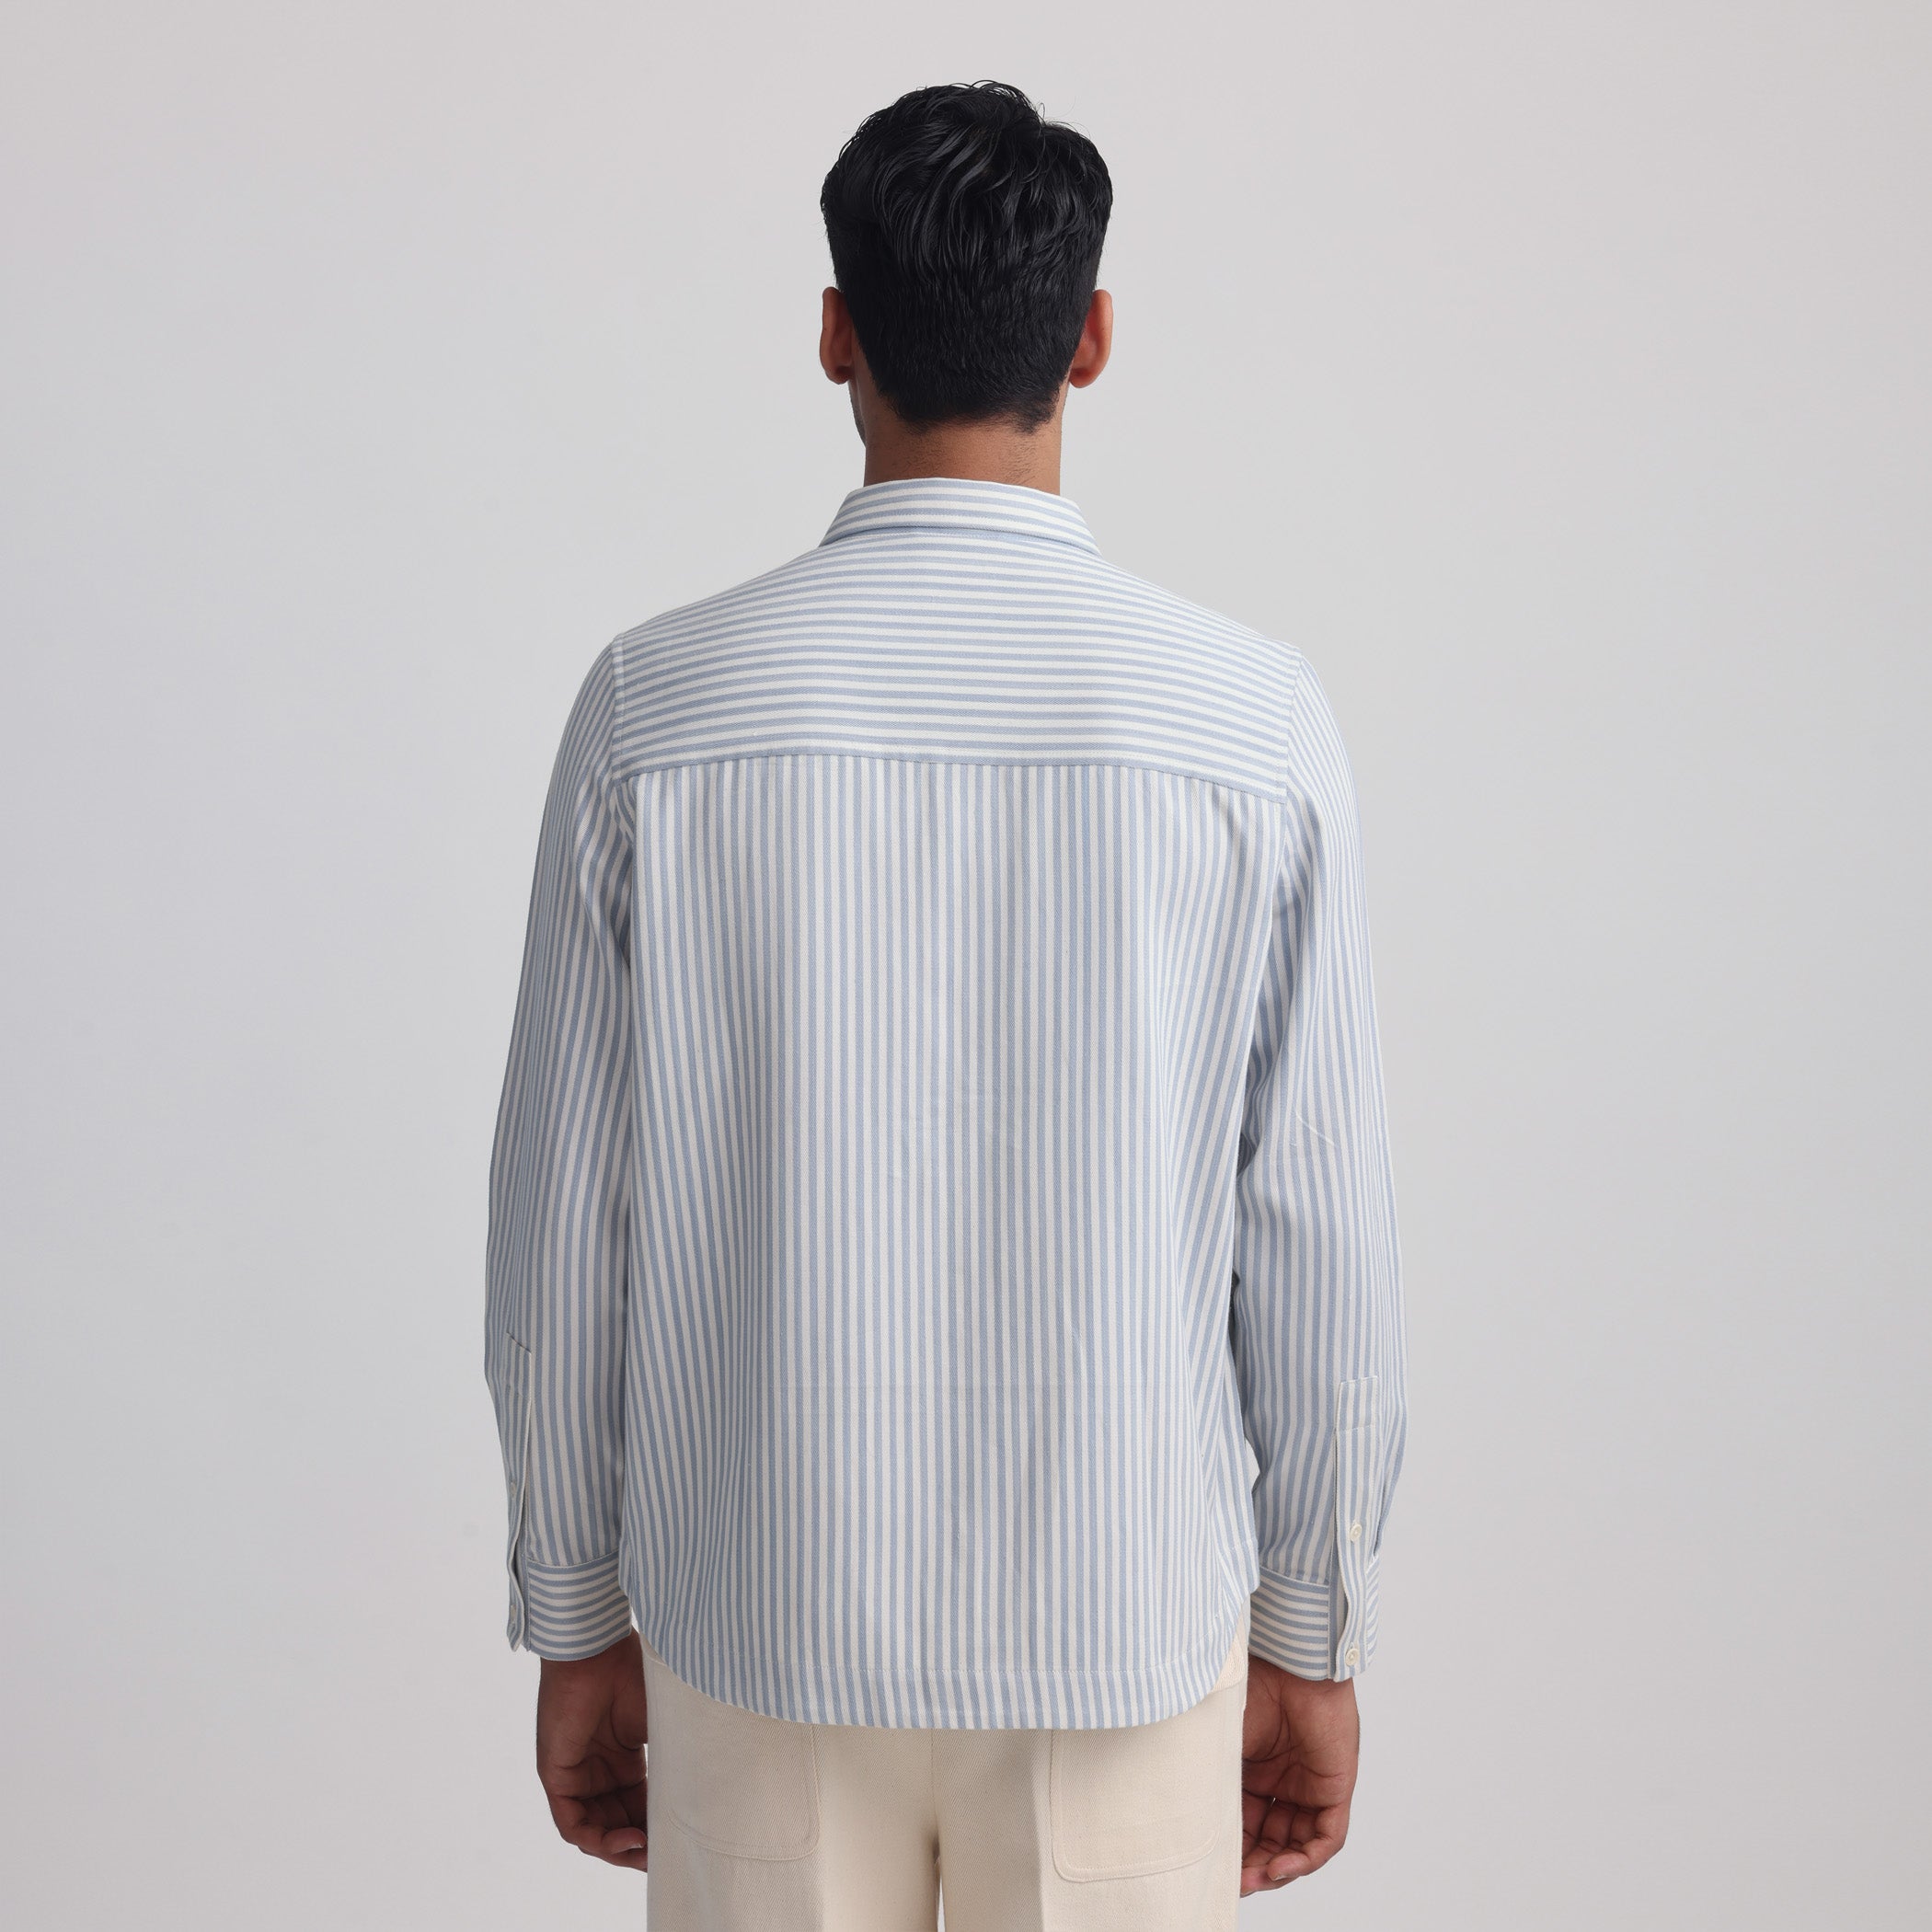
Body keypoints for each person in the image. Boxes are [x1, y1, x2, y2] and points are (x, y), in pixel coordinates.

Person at [484, 77, 1408, 1932]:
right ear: (1093, 337)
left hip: (761, 1629)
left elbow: (563, 1219)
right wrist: (1312, 1627)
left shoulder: (657, 709)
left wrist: (577, 1613)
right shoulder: (1252, 723)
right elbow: (1319, 1230)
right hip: (1125, 1643)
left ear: (836, 332)